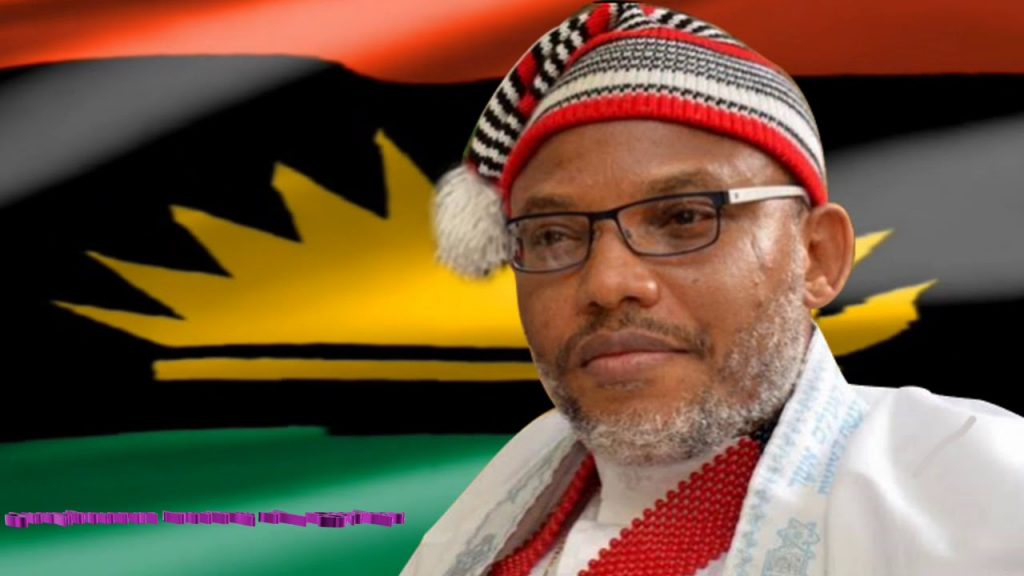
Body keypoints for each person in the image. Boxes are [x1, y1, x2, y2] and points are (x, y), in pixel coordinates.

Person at [401, 3, 1024, 575]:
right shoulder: (515, 485)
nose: (608, 282)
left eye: (684, 218)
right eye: (553, 235)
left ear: (817, 256)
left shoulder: (977, 489)